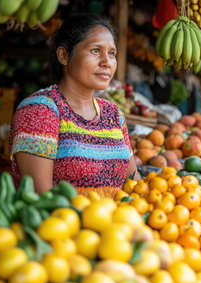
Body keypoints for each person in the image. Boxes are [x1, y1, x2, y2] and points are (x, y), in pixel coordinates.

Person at [9, 14, 140, 197]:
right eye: (95, 51)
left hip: (116, 223)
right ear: (64, 55)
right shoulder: (39, 110)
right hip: (63, 223)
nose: (107, 62)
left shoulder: (114, 114)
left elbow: (135, 185)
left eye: (111, 53)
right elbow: (42, 199)